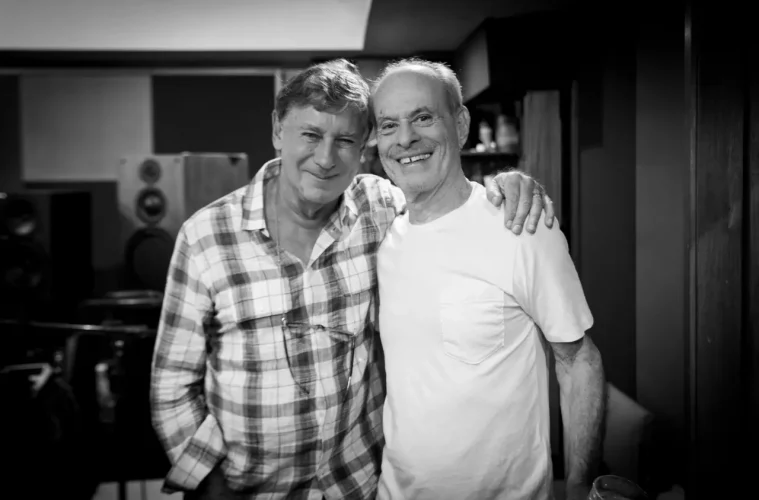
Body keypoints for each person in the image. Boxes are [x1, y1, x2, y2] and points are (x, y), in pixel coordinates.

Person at [150, 59, 554, 500]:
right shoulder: (205, 237)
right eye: (310, 135)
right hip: (247, 489)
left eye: (344, 141)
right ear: (277, 130)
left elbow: (445, 195)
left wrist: (507, 186)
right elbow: (172, 385)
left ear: (365, 146)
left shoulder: (380, 207)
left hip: (357, 485)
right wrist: (208, 484)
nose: (326, 159)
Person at [371, 59, 606, 500]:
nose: (405, 139)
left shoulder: (519, 226)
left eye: (423, 117)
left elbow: (578, 361)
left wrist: (578, 484)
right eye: (389, 125)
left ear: (460, 125)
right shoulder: (382, 235)